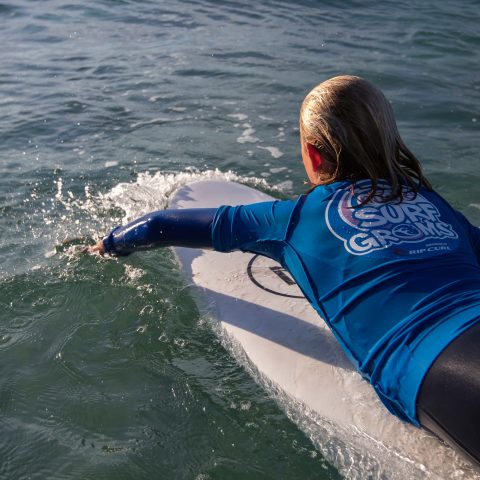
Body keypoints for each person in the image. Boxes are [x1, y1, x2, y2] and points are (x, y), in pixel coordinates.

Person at [89, 75, 480, 466]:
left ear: (313, 155)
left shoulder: (292, 220)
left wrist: (106, 245)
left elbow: (160, 225)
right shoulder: (432, 205)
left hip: (435, 364)